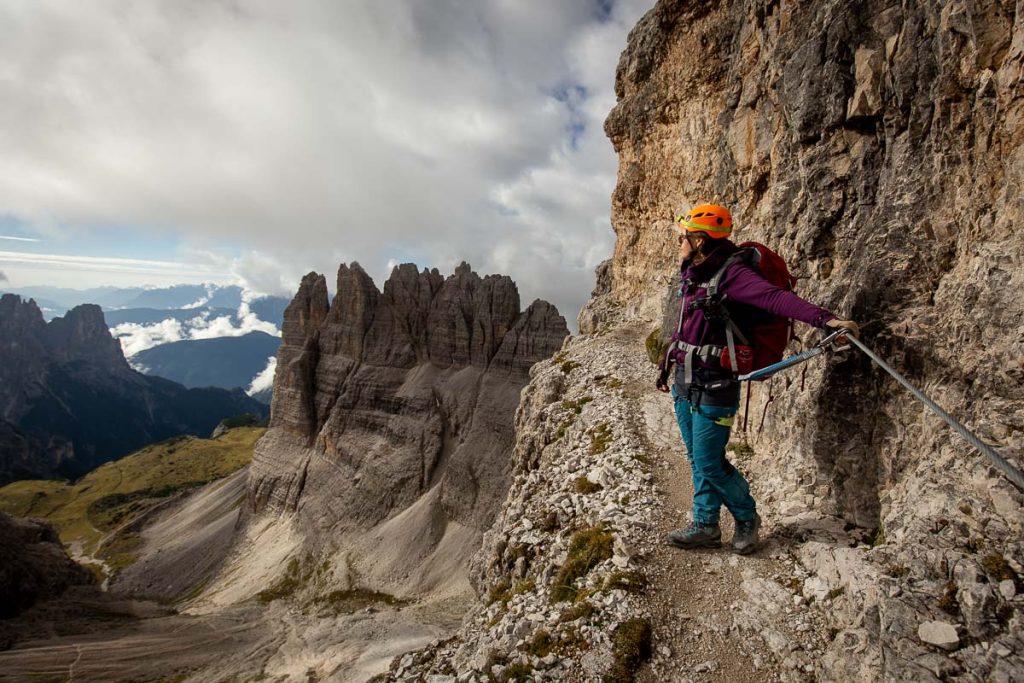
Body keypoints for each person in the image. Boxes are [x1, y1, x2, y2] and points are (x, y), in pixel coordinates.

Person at [656, 204, 859, 555]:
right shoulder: (694, 273)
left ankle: (747, 517)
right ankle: (705, 523)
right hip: (685, 381)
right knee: (696, 458)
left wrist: (826, 320)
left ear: (700, 240)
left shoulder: (732, 275)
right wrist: (665, 367)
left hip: (717, 385)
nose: (679, 243)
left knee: (709, 461)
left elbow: (775, 298)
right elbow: (682, 328)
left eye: (683, 237)